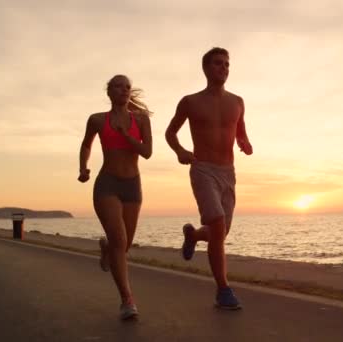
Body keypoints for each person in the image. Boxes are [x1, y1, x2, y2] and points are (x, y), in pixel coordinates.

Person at [165, 47, 253, 310]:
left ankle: (193, 236)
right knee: (217, 222)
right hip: (202, 169)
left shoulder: (237, 101)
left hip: (228, 173)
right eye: (218, 64)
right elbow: (171, 133)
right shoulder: (190, 102)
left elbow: (241, 131)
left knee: (219, 233)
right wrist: (180, 151)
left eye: (227, 64)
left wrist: (245, 143)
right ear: (205, 68)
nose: (223, 68)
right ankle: (223, 290)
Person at [78, 74, 153, 320]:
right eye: (118, 86)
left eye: (127, 87)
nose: (124, 90)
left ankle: (107, 248)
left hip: (132, 186)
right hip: (107, 184)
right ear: (109, 92)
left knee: (124, 244)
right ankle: (127, 300)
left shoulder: (141, 120)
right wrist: (83, 167)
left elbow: (147, 152)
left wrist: (127, 135)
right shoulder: (97, 120)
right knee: (120, 241)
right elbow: (87, 145)